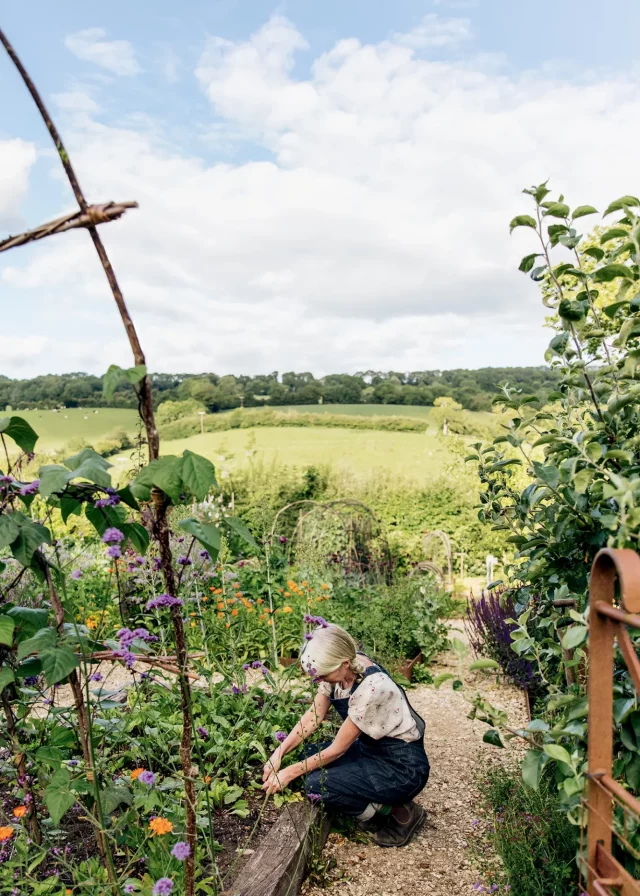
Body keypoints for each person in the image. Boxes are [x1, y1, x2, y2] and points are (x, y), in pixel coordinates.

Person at [262, 623, 430, 847]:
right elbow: (313, 717)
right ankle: (375, 801)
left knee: (317, 785)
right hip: (371, 749)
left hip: (401, 766)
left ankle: (398, 812)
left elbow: (337, 749)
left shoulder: (372, 687)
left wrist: (288, 773)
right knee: (307, 754)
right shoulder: (343, 668)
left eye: (323, 675)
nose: (319, 680)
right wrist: (279, 753)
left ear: (344, 664)